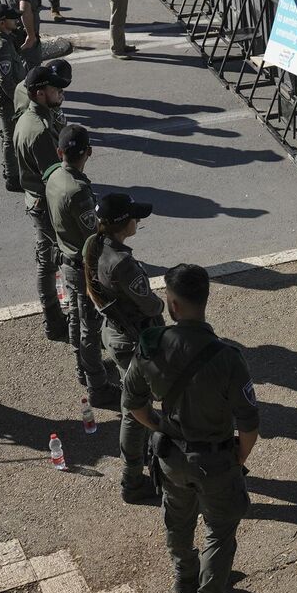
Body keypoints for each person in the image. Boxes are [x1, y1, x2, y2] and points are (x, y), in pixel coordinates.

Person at [122, 262, 262, 593]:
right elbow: (249, 424)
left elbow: (133, 402)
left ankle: (185, 577)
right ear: (204, 301)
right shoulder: (228, 358)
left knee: (178, 517)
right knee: (219, 533)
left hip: (170, 455)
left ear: (173, 305)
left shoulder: (152, 347)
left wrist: (157, 424)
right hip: (215, 460)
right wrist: (238, 458)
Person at [82, 192, 167, 504]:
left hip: (117, 334)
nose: (138, 219)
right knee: (134, 410)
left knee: (134, 405)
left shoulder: (94, 246)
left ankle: (144, 458)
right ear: (123, 223)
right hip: (134, 342)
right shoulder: (122, 264)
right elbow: (150, 303)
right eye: (134, 216)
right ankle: (131, 482)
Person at [43, 124, 116, 408]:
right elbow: (93, 233)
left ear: (60, 151)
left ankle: (82, 367)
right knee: (89, 325)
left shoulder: (53, 177)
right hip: (82, 264)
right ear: (89, 152)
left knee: (75, 316)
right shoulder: (77, 191)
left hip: (66, 257)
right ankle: (97, 384)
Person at [13, 62, 70, 343]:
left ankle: (53, 320)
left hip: (36, 200)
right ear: (38, 93)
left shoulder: (31, 117)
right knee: (58, 261)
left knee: (46, 260)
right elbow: (56, 179)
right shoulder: (39, 130)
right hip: (46, 204)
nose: (60, 91)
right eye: (54, 88)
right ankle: (57, 320)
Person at [0, 5, 31, 192]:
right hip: (7, 99)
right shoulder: (2, 44)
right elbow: (6, 80)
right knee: (11, 139)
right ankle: (13, 178)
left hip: (8, 97)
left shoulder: (4, 38)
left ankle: (12, 169)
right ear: (2, 23)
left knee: (9, 136)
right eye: (12, 19)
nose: (16, 21)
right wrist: (19, 101)